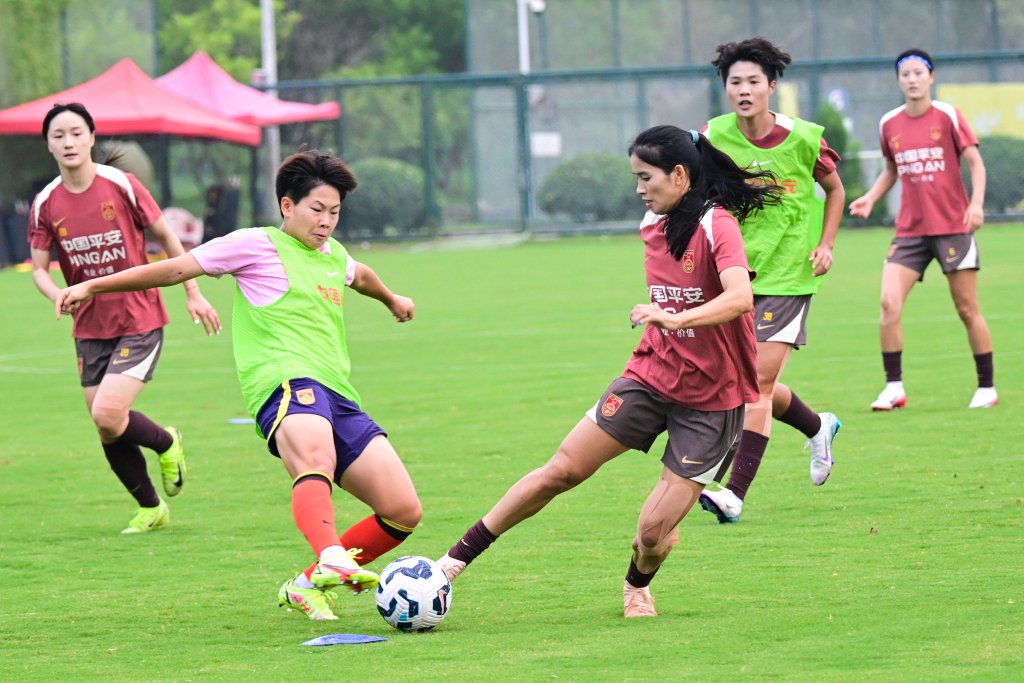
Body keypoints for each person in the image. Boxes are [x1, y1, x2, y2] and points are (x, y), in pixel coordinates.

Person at [56, 150, 423, 622]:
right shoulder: (255, 244)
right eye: (317, 209)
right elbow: (175, 269)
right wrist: (93, 285)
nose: (326, 221)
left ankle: (308, 584)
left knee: (402, 510)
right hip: (284, 382)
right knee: (315, 458)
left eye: (334, 212)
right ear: (287, 205)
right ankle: (330, 553)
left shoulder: (334, 256)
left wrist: (392, 298)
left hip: (340, 394)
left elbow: (361, 276)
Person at [437, 125, 782, 618]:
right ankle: (452, 562)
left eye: (646, 177)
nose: (639, 188)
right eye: (635, 177)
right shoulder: (652, 221)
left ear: (680, 175)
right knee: (561, 470)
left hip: (713, 400)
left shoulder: (716, 224)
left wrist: (677, 316)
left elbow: (740, 297)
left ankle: (637, 582)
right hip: (651, 375)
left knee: (650, 535)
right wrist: (670, 326)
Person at [29, 102, 219, 534]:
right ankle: (151, 507)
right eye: (58, 136)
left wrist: (192, 290)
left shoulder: (121, 184)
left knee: (108, 414)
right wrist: (56, 292)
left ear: (92, 137)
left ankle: (167, 442)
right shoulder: (46, 202)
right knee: (107, 429)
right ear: (49, 146)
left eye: (76, 132)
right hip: (89, 326)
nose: (69, 141)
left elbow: (167, 236)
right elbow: (39, 267)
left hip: (139, 316)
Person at [697, 37, 846, 525]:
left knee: (755, 383)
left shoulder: (803, 138)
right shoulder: (713, 137)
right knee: (746, 378)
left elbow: (834, 189)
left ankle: (733, 493)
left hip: (789, 274)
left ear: (771, 86)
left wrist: (826, 244)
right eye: (735, 82)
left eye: (753, 82)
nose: (743, 90)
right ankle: (816, 425)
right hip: (735, 273)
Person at [849, 48, 996, 411]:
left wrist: (976, 204)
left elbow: (976, 164)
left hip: (952, 227)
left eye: (919, 73)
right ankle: (894, 387)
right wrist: (869, 198)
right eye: (905, 74)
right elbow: (890, 170)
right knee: (888, 302)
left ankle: (986, 387)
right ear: (898, 81)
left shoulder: (948, 116)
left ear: (931, 77)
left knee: (967, 309)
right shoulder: (889, 123)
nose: (912, 80)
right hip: (910, 232)